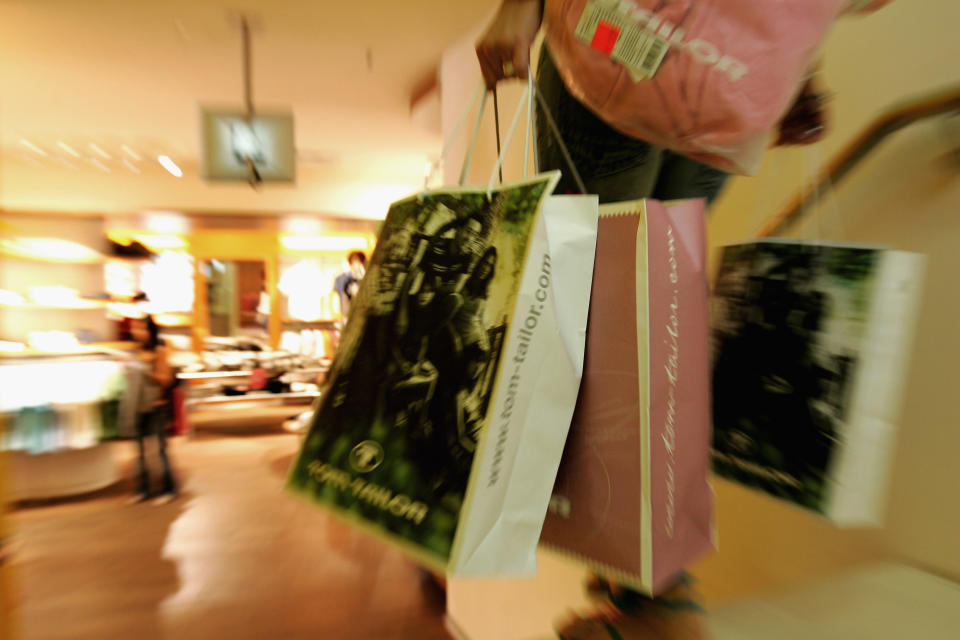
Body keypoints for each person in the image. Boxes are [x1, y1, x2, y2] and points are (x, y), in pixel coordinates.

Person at [475, 1, 882, 638]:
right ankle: (643, 584)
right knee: (655, 310)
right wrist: (795, 63)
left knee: (604, 304)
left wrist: (518, 6)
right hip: (733, 88)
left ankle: (659, 595)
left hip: (618, 31)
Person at [129, 313, 177, 504]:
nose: (137, 332)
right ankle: (142, 489)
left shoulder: (159, 351)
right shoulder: (135, 351)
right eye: (135, 328)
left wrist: (146, 372)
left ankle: (168, 488)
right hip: (137, 404)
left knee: (160, 449)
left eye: (141, 328)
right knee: (140, 450)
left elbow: (166, 379)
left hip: (155, 405)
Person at [333, 250, 367, 320]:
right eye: (355, 262)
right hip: (347, 315)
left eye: (360, 262)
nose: (357, 265)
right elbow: (335, 298)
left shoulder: (366, 278)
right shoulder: (342, 279)